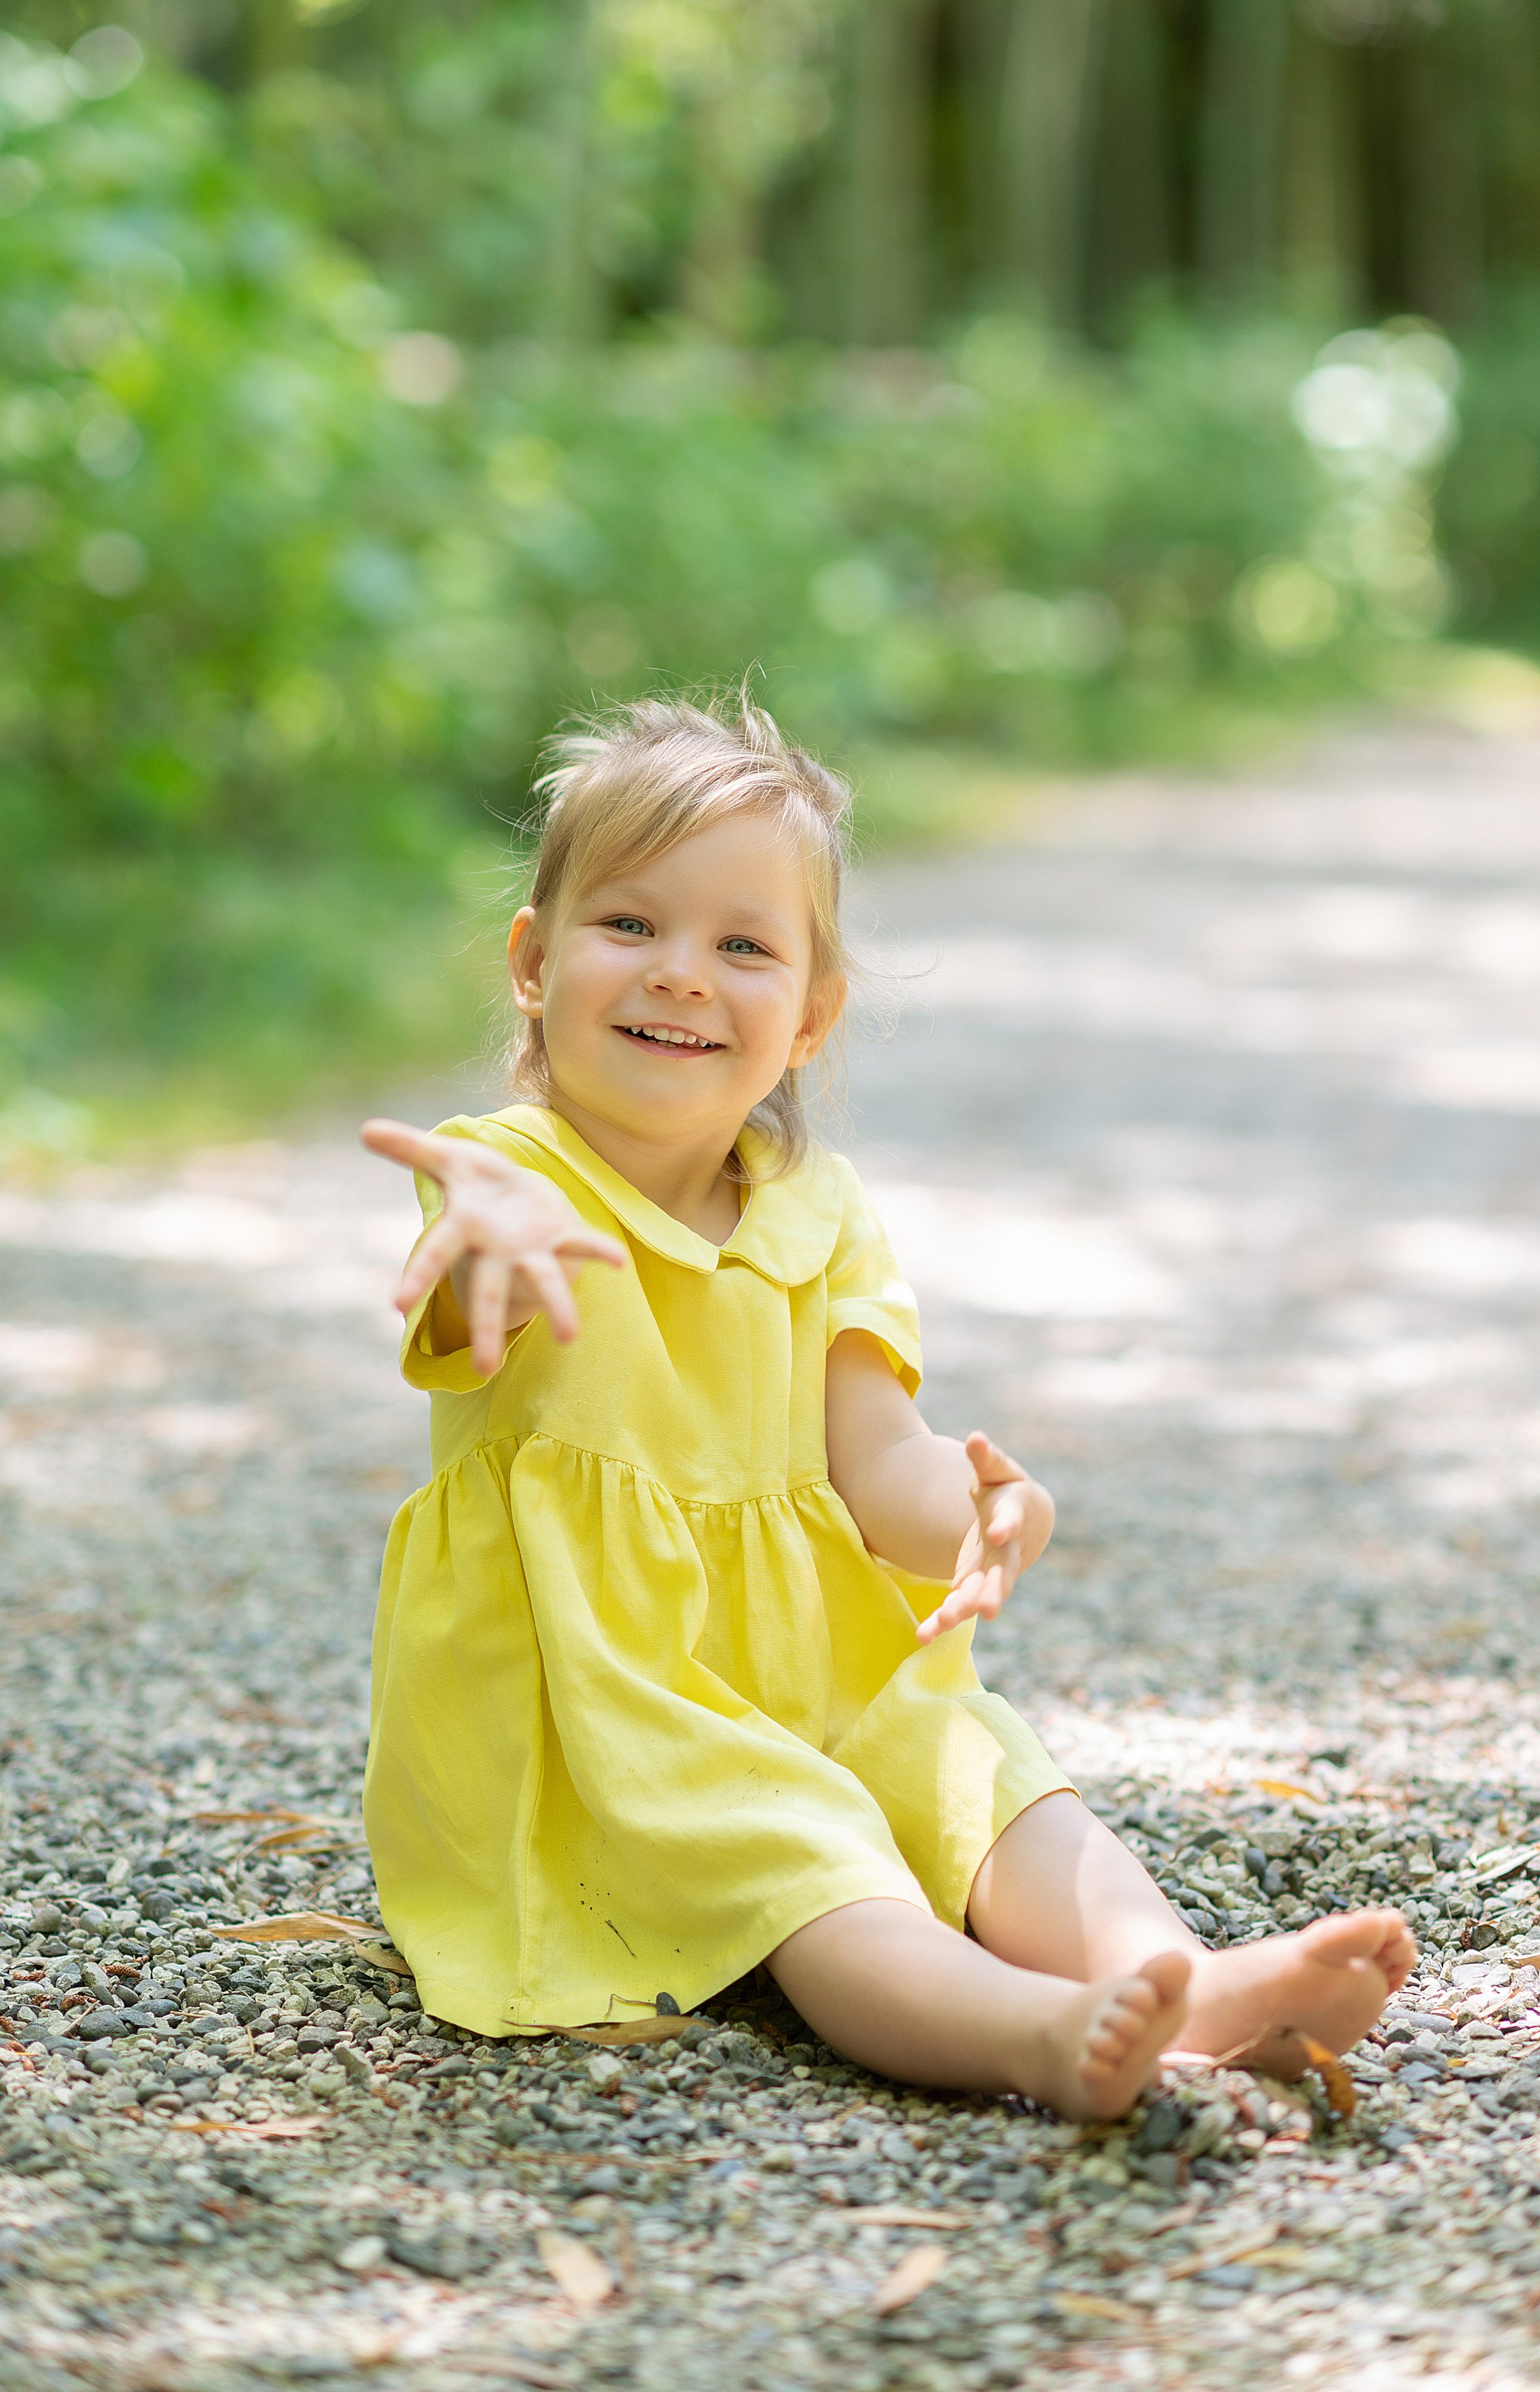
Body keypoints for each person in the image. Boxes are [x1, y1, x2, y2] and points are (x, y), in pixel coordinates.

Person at [361, 694, 1414, 2122]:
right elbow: (464, 1292)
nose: (680, 973)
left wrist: (978, 1509)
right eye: (629, 924)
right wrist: (480, 1226)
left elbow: (879, 1465)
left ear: (810, 1015)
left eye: (743, 946)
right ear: (535, 966)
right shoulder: (508, 1180)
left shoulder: (819, 1212)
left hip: (816, 1664)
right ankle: (1036, 2033)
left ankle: (1186, 1979)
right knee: (811, 1855)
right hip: (616, 1697)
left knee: (986, 1773)